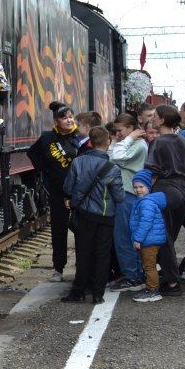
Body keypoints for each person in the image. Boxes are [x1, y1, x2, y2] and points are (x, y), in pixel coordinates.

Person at [61, 126, 123, 303]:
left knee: (83, 252)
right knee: (102, 254)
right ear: (108, 142)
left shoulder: (78, 162)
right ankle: (97, 294)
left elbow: (68, 188)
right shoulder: (112, 168)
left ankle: (78, 291)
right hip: (105, 216)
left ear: (90, 141)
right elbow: (119, 197)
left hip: (83, 214)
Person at [146, 104, 185, 296]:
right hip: (182, 191)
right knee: (171, 235)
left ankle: (171, 282)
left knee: (163, 237)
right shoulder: (183, 141)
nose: (153, 118)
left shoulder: (157, 143)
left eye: (155, 115)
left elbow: (151, 171)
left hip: (163, 189)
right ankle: (170, 275)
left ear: (161, 119)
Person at [27, 102, 81, 283]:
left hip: (79, 192)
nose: (69, 120)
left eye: (71, 116)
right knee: (59, 230)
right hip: (58, 192)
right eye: (64, 117)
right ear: (56, 120)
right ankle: (58, 268)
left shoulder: (79, 137)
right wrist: (46, 171)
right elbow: (32, 154)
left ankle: (82, 267)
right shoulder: (47, 138)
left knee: (82, 229)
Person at [108, 114, 148, 291]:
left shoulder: (138, 145)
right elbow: (110, 157)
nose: (118, 134)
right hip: (126, 193)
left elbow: (116, 158)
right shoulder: (128, 144)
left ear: (131, 129)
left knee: (124, 236)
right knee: (125, 235)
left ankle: (133, 276)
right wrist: (120, 141)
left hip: (128, 194)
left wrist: (128, 139)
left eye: (120, 130)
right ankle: (134, 273)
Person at [129, 169, 168, 303]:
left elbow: (145, 222)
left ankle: (153, 291)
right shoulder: (145, 201)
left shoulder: (146, 203)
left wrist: (138, 238)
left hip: (148, 240)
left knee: (149, 266)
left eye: (141, 187)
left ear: (148, 187)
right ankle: (151, 288)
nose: (138, 190)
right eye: (135, 187)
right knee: (150, 265)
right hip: (150, 239)